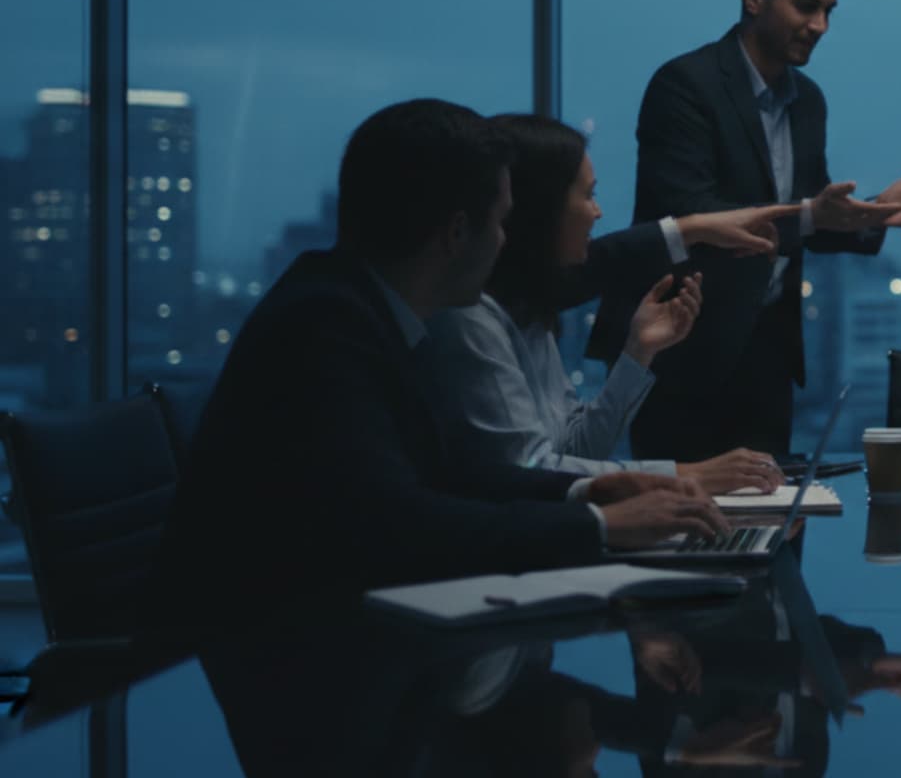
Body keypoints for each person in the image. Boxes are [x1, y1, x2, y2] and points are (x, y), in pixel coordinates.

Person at [149, 99, 729, 628]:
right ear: (456, 233)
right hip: (273, 653)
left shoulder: (359, 310)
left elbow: (451, 475)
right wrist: (598, 523)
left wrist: (585, 494)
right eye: (499, 223)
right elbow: (403, 522)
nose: (505, 242)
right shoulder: (327, 329)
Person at [588, 0, 901, 460]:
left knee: (773, 505)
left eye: (829, 11)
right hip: (681, 349)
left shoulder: (807, 100)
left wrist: (872, 213)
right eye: (807, 7)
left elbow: (809, 219)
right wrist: (812, 216)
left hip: (767, 355)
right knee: (679, 507)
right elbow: (694, 216)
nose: (820, 25)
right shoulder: (684, 85)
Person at [423, 114, 801, 493]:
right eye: (588, 195)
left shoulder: (530, 311)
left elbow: (578, 450)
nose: (597, 212)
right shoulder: (469, 319)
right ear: (541, 210)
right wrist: (690, 475)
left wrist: (638, 352)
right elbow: (532, 472)